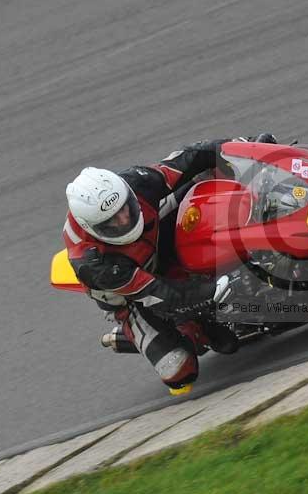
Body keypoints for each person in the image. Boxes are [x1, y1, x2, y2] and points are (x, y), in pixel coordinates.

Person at [62, 134, 277, 393]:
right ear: (93, 228)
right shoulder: (95, 264)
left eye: (125, 209)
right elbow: (160, 293)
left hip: (153, 235)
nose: (123, 220)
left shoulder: (136, 183)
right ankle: (185, 330)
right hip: (135, 294)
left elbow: (192, 156)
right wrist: (214, 292)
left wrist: (248, 149)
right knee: (179, 371)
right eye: (112, 222)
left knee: (207, 177)